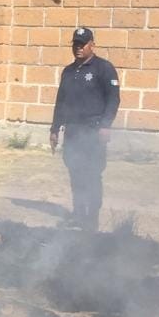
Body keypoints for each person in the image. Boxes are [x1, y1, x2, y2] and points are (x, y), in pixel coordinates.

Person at [49, 26, 120, 230]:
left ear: (92, 45)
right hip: (73, 131)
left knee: (93, 174)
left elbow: (113, 99)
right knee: (75, 172)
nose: (78, 48)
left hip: (93, 131)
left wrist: (106, 125)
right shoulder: (69, 71)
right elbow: (61, 101)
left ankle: (92, 218)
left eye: (82, 44)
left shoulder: (104, 68)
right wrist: (55, 129)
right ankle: (79, 214)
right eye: (76, 44)